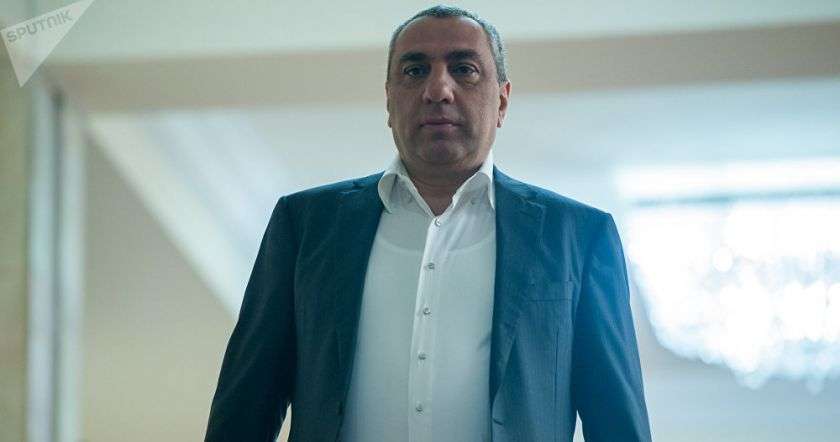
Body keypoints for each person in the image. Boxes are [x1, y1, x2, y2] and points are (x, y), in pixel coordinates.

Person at [205, 5, 651, 442]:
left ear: (502, 100)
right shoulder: (305, 226)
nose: (438, 89)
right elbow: (245, 408)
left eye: (464, 69)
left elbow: (616, 422)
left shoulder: (578, 235)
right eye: (415, 71)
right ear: (389, 99)